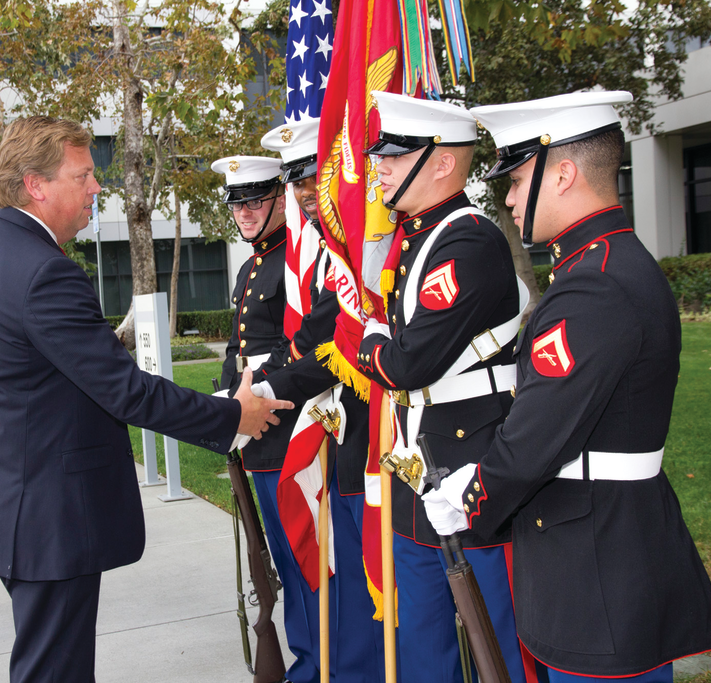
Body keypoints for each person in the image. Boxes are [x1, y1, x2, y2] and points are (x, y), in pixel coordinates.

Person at [0, 116, 292, 683]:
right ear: (36, 185)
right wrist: (235, 416)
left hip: (10, 504)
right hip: (44, 517)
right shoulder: (43, 274)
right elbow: (127, 392)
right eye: (83, 175)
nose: (96, 188)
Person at [422, 91, 711, 683]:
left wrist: (471, 498)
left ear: (562, 173)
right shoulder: (602, 267)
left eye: (515, 180)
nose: (508, 198)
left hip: (597, 575)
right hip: (599, 554)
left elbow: (534, 439)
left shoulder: (594, 287)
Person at [352, 92, 533, 683]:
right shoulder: (415, 238)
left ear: (442, 163)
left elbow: (407, 365)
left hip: (472, 462)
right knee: (425, 644)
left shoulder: (468, 239)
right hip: (420, 462)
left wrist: (367, 339)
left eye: (395, 157)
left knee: (496, 640)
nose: (379, 166)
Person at [257, 117, 384, 682]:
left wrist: (263, 390)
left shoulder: (364, 243)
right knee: (341, 575)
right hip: (333, 423)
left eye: (313, 174)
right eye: (296, 179)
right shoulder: (323, 245)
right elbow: (309, 333)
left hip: (375, 429)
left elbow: (334, 334)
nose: (305, 190)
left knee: (368, 580)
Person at [211, 154, 320, 683]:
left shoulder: (297, 258)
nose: (246, 212)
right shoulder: (253, 265)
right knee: (279, 558)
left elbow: (296, 347)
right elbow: (240, 346)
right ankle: (307, 658)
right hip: (254, 434)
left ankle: (317, 664)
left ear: (281, 197)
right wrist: (225, 396)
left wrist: (245, 399)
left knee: (305, 561)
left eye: (256, 200)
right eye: (237, 202)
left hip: (288, 429)